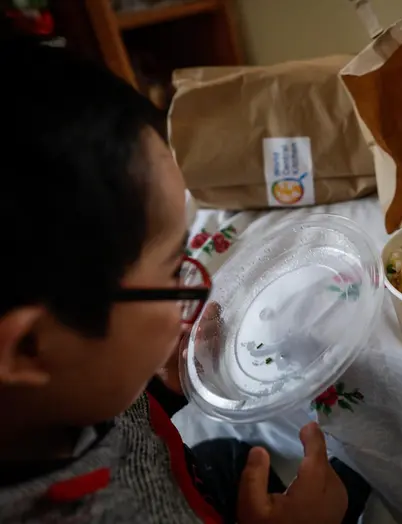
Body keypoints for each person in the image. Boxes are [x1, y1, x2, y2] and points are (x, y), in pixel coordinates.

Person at [0, 35, 369, 523]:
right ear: (31, 347)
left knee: (261, 464)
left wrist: (160, 389)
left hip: (175, 467)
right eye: (175, 272)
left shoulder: (57, 390)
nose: (191, 292)